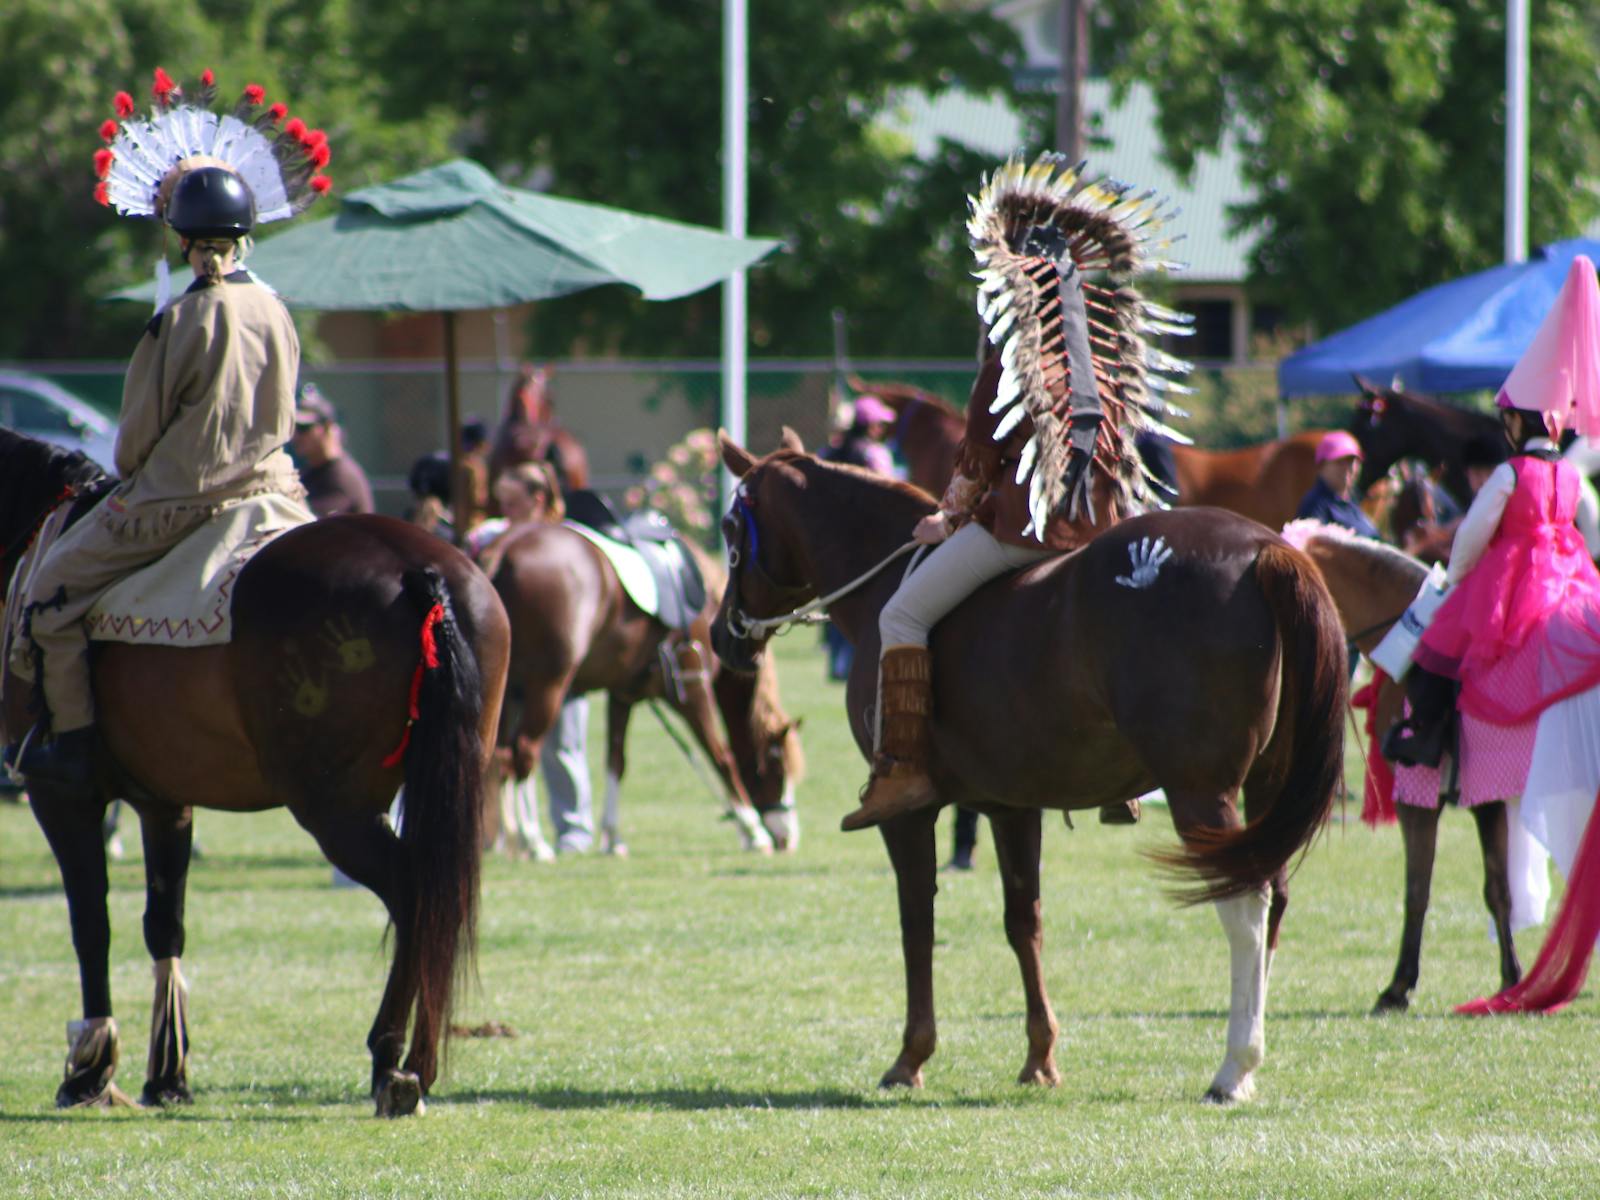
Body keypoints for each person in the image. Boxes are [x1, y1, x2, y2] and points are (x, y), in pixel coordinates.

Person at [841, 158, 1184, 832]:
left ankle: (904, 769)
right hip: (1106, 533)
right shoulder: (1101, 356)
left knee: (902, 618)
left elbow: (980, 453)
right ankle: (1124, 780)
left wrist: (946, 517)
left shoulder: (1013, 353)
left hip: (1021, 537)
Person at [11, 85, 333, 789]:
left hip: (175, 503)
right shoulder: (277, 309)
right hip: (275, 495)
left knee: (49, 598)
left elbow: (132, 447)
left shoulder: (181, 319)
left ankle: (74, 746)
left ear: (184, 238)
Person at [1402, 255, 1600, 1011]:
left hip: (1508, 590)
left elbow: (1468, 541)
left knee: (1437, 657)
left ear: (1516, 421)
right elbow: (1593, 532)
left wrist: (1452, 581)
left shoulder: (1513, 475)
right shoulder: (1574, 478)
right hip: (1570, 581)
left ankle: (1422, 746)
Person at [465, 461, 594, 855]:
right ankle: (502, 830)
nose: (505, 511)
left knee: (564, 743)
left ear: (538, 499)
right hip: (511, 663)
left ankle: (572, 827)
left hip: (554, 663)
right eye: (500, 502)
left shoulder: (568, 541)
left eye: (513, 502)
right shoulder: (489, 537)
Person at [291, 385, 375, 518]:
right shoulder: (311, 471)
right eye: (294, 428)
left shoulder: (341, 477)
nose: (296, 435)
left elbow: (309, 523)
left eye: (303, 428)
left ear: (328, 428)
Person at [1294, 431, 1380, 538]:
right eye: (1340, 461)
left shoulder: (1351, 501)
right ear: (1321, 466)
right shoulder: (1315, 505)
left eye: (1353, 461)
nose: (1349, 468)